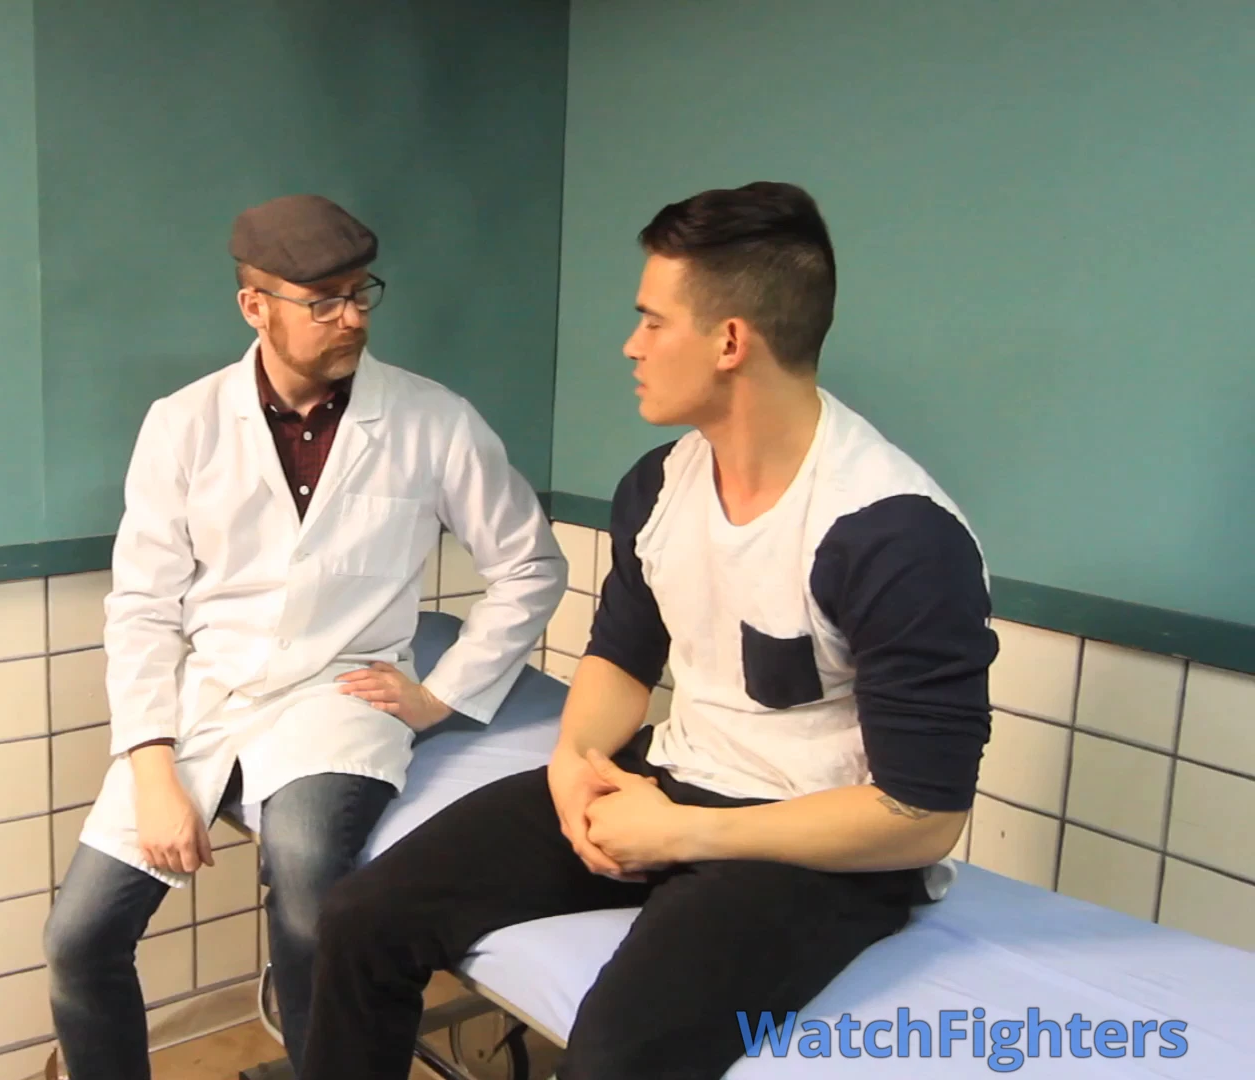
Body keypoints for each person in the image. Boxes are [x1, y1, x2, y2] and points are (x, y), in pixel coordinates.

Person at [298, 181, 1000, 1079]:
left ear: (730, 341)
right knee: (361, 920)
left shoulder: (893, 534)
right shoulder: (662, 484)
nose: (631, 346)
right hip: (673, 781)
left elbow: (921, 818)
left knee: (614, 1057)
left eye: (652, 321)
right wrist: (574, 766)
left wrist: (683, 836)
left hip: (813, 846)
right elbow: (619, 659)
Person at [42, 194, 566, 1079]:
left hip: (341, 693)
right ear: (256, 306)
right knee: (78, 940)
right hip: (211, 698)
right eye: (324, 302)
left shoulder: (433, 419)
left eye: (361, 294)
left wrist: (442, 696)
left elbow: (532, 566)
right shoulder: (184, 423)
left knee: (306, 876)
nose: (352, 317)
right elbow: (141, 606)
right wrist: (152, 767)